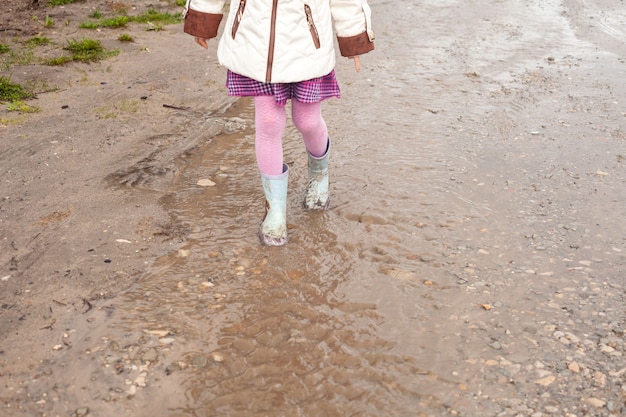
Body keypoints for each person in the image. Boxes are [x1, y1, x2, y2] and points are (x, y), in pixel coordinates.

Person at [183, 0, 374, 246]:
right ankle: (275, 208)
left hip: (307, 46)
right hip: (255, 45)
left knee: (307, 121)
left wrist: (354, 38)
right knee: (268, 121)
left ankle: (319, 175)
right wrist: (202, 21)